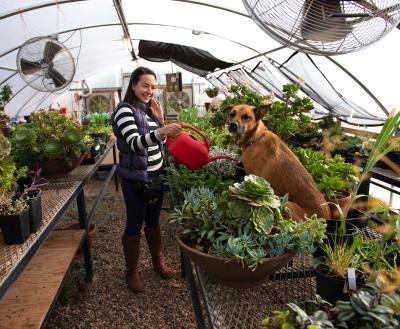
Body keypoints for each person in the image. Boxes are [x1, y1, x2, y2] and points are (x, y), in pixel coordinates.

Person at [111, 66, 181, 293]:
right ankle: (131, 271)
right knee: (134, 223)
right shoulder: (124, 111)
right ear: (133, 85)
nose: (149, 90)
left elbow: (156, 144)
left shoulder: (148, 111)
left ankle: (157, 262)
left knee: (153, 221)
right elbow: (134, 142)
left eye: (152, 86)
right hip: (136, 180)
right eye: (145, 85)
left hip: (155, 176)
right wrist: (161, 131)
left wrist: (160, 122)